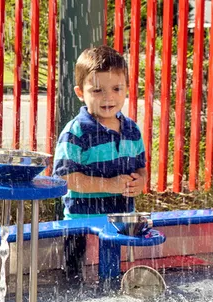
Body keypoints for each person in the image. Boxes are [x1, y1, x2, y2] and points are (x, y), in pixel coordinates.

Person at [52, 45, 147, 278]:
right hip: (81, 224)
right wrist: (110, 185)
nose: (108, 97)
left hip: (119, 220)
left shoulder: (131, 129)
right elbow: (64, 178)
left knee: (114, 275)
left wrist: (140, 182)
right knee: (75, 280)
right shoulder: (77, 132)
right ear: (80, 92)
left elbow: (140, 167)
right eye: (97, 90)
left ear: (126, 89)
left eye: (116, 88)